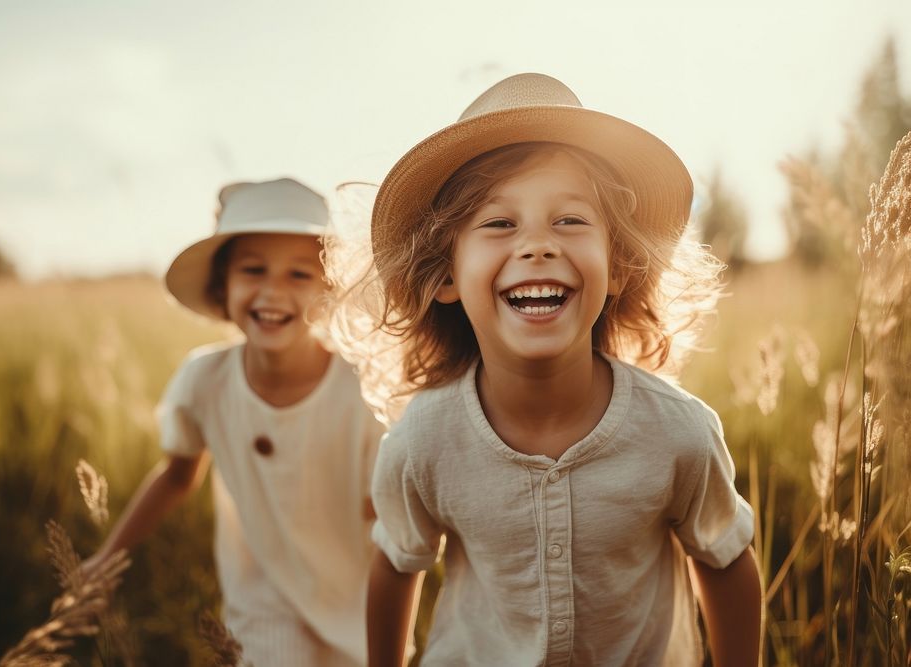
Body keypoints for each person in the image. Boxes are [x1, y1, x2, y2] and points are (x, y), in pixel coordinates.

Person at [340, 74, 762, 666]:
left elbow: (725, 558)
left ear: (618, 267)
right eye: (498, 223)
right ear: (444, 277)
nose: (537, 245)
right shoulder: (422, 440)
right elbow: (396, 560)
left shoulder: (678, 434)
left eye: (570, 220)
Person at [85, 178, 385, 666]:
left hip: (355, 602)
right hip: (260, 602)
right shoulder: (205, 380)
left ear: (329, 289)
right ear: (222, 286)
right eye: (253, 270)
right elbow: (178, 475)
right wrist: (108, 559)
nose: (273, 292)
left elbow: (385, 519)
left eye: (299, 275)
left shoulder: (363, 390)